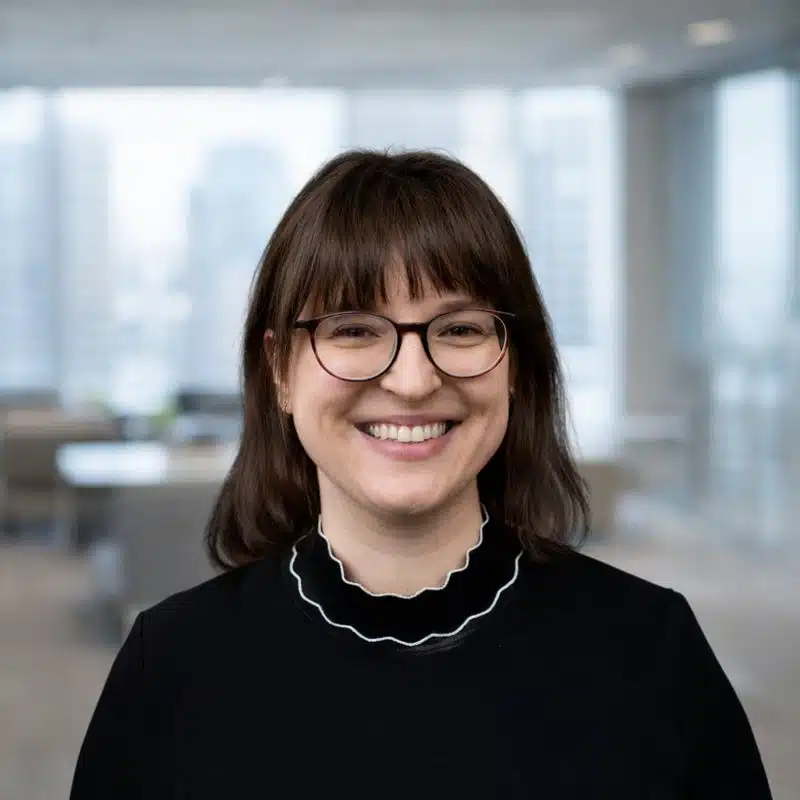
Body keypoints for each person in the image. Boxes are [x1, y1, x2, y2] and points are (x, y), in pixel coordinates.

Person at [69, 149, 772, 799]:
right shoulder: (170, 664)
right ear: (280, 369)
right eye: (354, 330)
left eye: (460, 329)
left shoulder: (650, 649)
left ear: (515, 365)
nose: (412, 380)